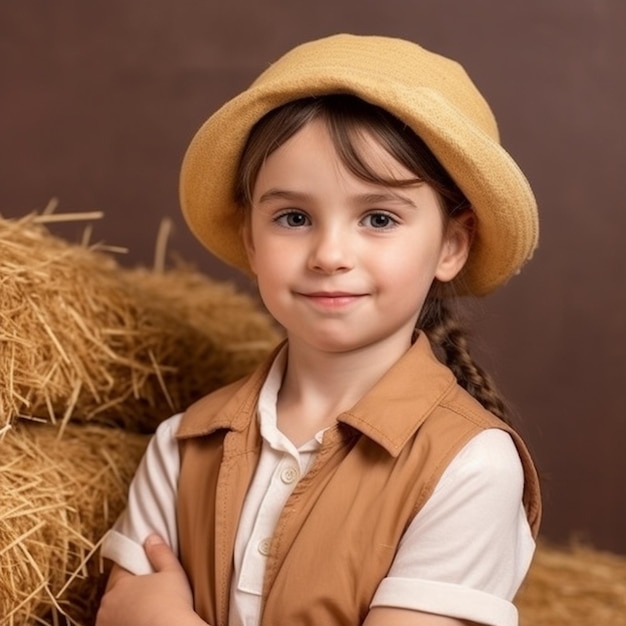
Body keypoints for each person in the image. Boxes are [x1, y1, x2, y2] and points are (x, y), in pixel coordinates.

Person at [96, 34, 542, 626]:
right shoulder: (184, 445)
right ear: (253, 240)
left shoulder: (472, 466)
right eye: (294, 217)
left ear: (452, 245)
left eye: (379, 217)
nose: (330, 253)